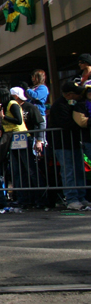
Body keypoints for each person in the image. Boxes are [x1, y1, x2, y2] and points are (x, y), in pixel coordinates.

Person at [51, 81, 89, 210]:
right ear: (69, 95)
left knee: (79, 170)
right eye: (77, 94)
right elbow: (66, 123)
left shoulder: (74, 104)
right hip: (63, 144)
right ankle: (71, 198)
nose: (80, 96)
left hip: (74, 142)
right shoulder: (59, 105)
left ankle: (81, 197)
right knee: (69, 171)